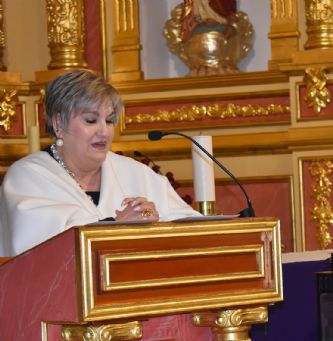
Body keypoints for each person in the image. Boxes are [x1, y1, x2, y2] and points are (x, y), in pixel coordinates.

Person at [0, 70, 200, 257]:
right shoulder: (28, 177)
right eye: (91, 120)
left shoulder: (136, 173)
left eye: (110, 121)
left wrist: (148, 214)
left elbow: (186, 225)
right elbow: (36, 248)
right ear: (59, 123)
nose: (104, 131)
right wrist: (115, 225)